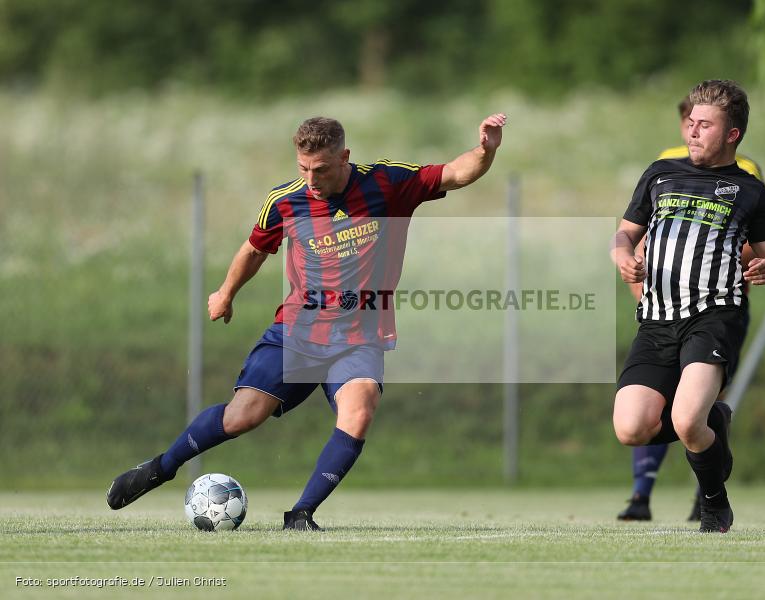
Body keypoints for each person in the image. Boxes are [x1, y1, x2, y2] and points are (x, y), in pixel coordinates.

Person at [106, 112, 507, 530]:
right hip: (297, 332)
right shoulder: (285, 200)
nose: (311, 179)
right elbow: (255, 249)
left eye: (321, 169)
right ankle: (161, 468)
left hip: (359, 335)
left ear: (344, 157)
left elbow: (457, 173)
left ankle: (300, 514)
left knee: (360, 407)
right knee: (242, 417)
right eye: (303, 168)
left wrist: (485, 149)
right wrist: (226, 293)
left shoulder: (386, 183)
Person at [611, 80, 765, 533]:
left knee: (687, 421)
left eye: (704, 125)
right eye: (690, 122)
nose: (692, 132)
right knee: (631, 429)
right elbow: (624, 233)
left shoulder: (751, 191)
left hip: (713, 318)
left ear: (732, 134)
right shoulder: (659, 173)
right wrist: (622, 256)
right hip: (655, 322)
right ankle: (715, 422)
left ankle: (714, 503)